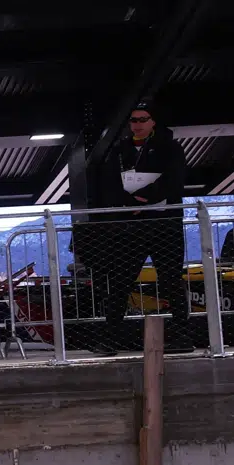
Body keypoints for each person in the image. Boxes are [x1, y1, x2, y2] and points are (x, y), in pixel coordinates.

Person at [89, 101, 193, 355]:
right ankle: (110, 339)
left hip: (164, 224)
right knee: (121, 281)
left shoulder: (170, 147)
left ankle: (183, 336)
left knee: (170, 279)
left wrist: (145, 199)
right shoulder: (120, 151)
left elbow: (174, 180)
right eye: (133, 120)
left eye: (142, 119)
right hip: (131, 227)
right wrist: (129, 204)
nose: (137, 124)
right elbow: (109, 184)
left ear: (153, 121)